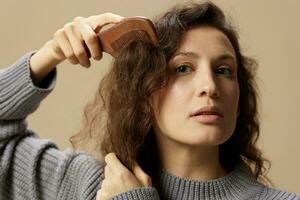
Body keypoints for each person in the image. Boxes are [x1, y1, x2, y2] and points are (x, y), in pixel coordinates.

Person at [0, 1, 299, 200]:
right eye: (183, 68)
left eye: (224, 71)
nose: (210, 86)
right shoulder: (90, 185)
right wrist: (50, 54)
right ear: (144, 94)